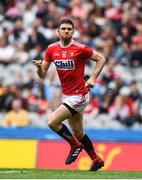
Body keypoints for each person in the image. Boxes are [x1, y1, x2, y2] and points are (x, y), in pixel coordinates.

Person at [32, 18, 105, 171]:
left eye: (69, 29)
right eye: (63, 29)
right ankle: (96, 159)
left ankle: (74, 146)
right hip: (67, 95)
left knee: (52, 122)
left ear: (73, 32)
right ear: (58, 31)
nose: (66, 31)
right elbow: (42, 74)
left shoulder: (81, 48)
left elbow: (101, 59)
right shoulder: (51, 49)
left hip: (80, 95)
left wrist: (92, 78)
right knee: (78, 132)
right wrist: (39, 68)